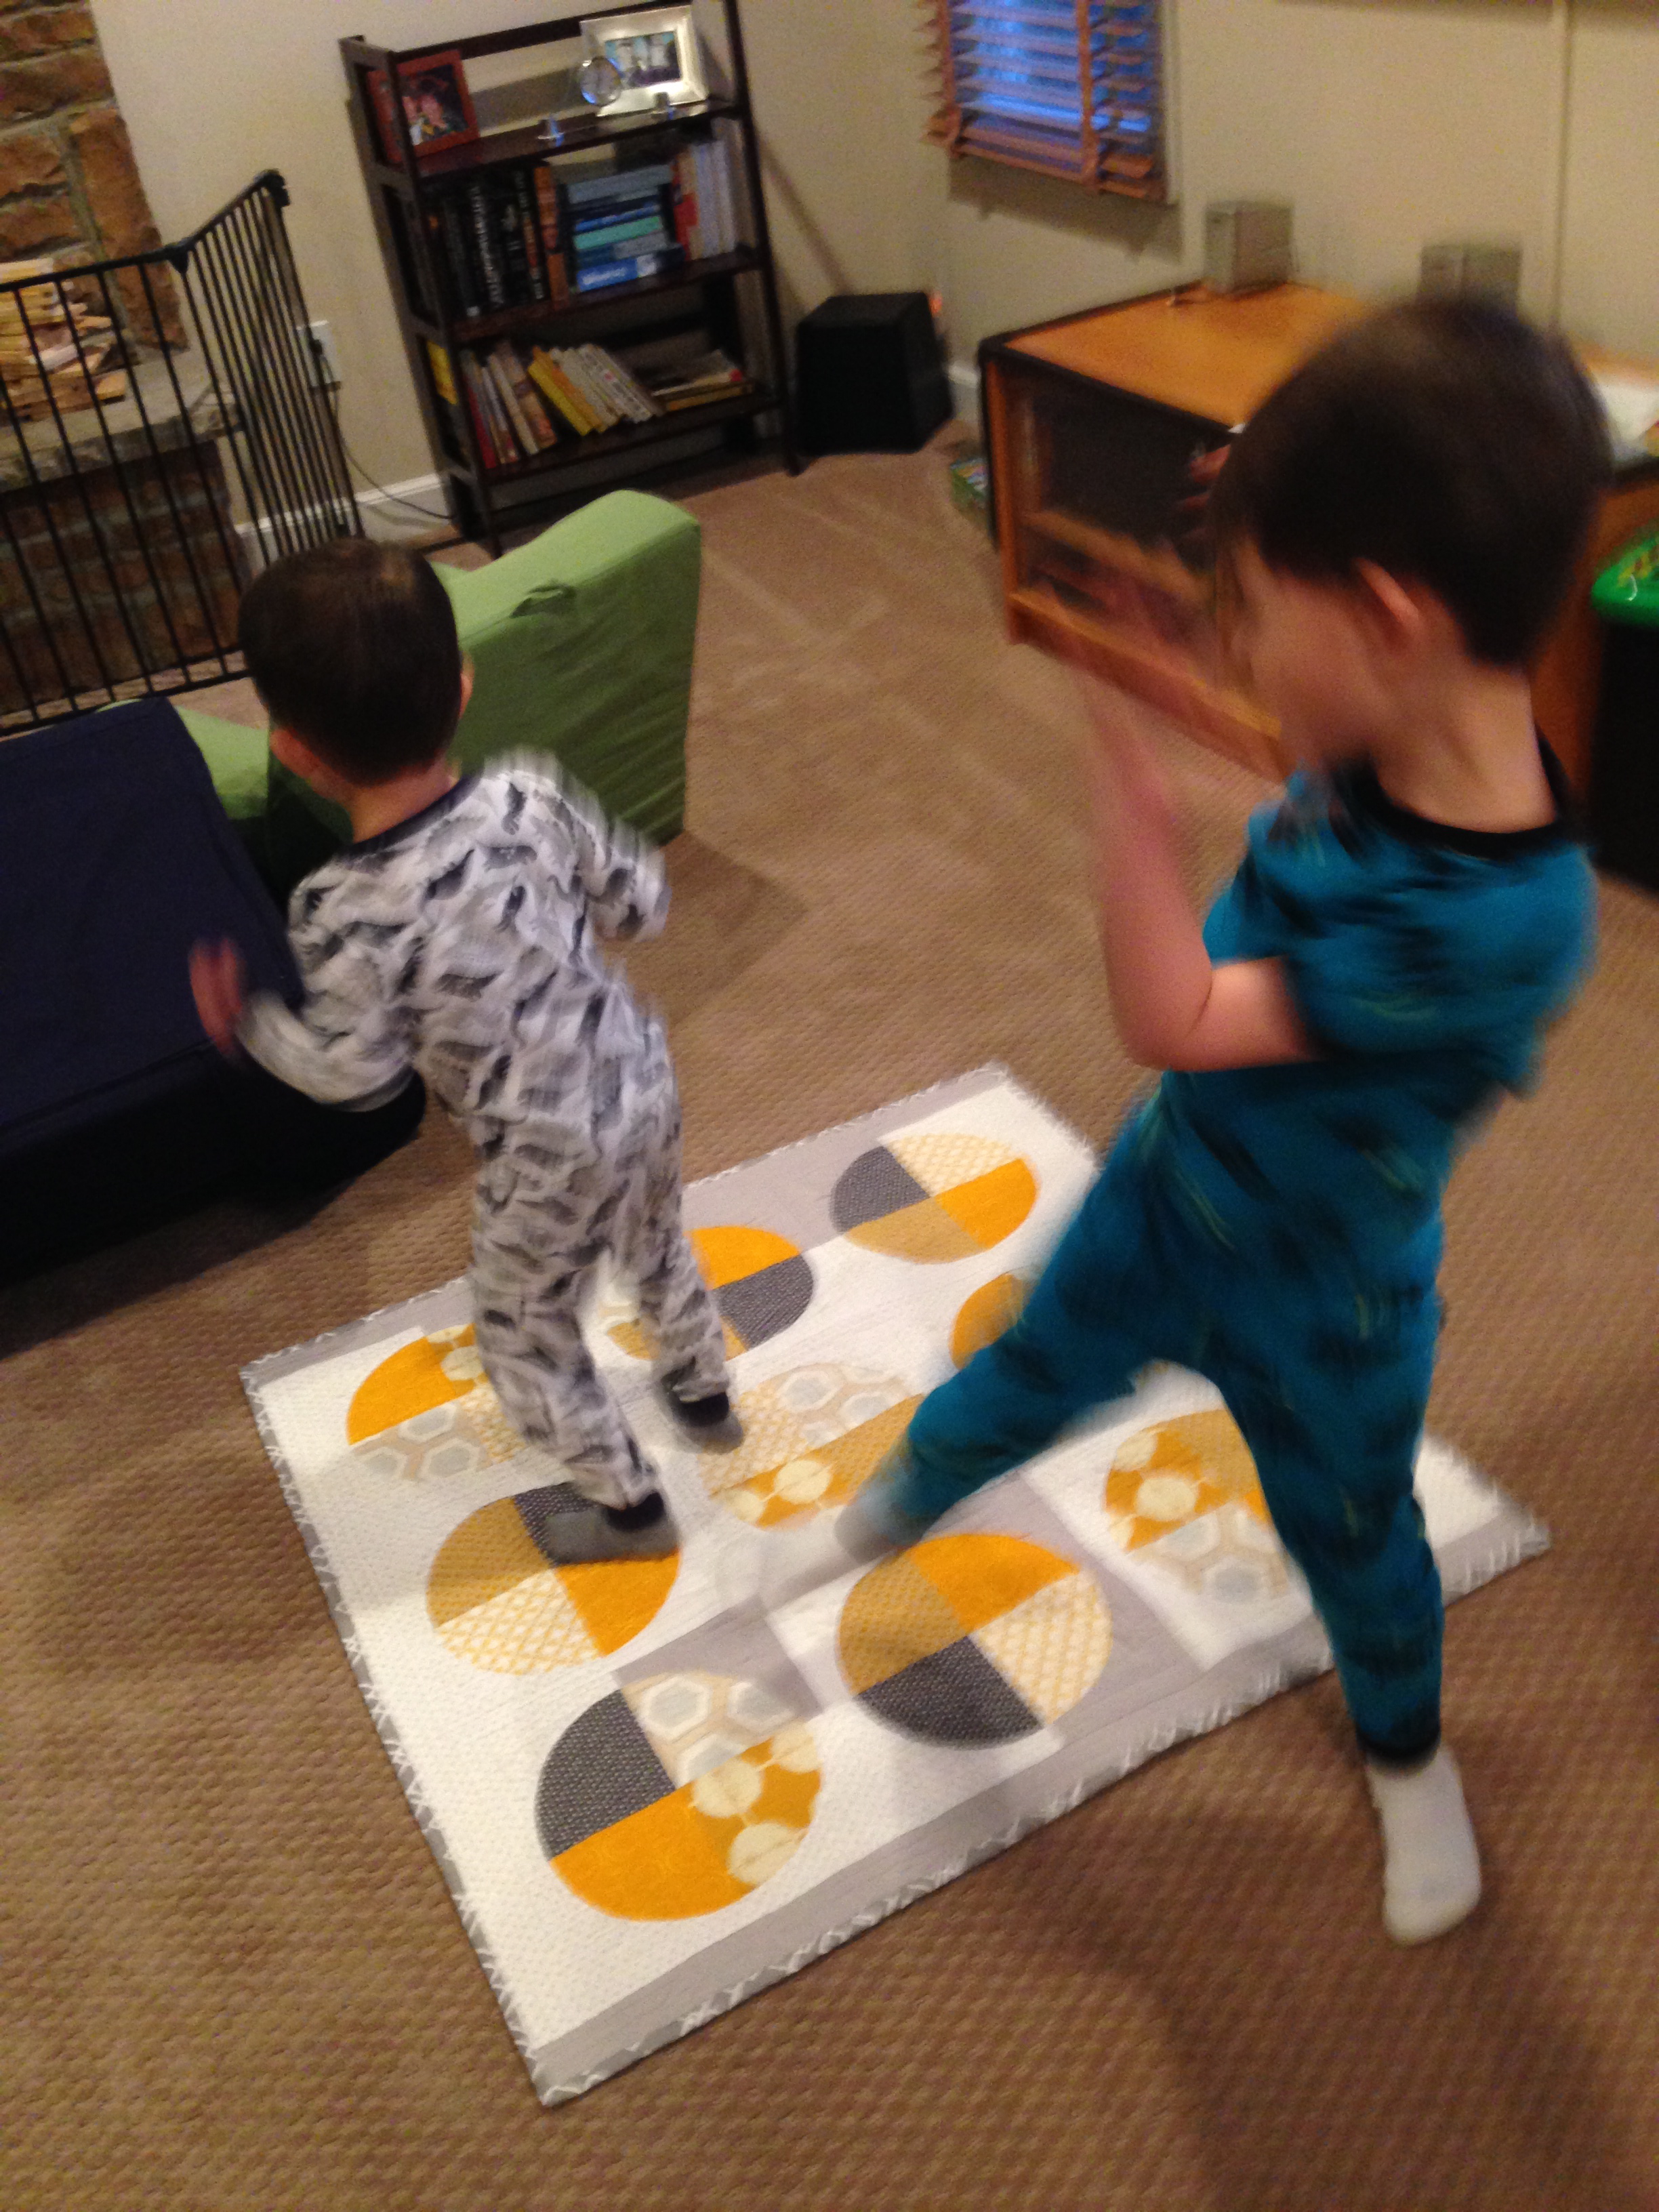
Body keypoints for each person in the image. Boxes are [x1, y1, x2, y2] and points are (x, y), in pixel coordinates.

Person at [827, 298, 1609, 1943]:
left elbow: (1174, 1014)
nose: (1234, 650)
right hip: (1170, 1191)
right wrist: (1262, 520)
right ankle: (914, 1486)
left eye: (1258, 614)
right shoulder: (1414, 719)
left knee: (1356, 1538)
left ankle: (1408, 1755)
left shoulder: (1498, 925)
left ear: (1389, 619)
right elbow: (1315, 736)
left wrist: (1130, 814)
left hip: (1330, 1301)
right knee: (1030, 1363)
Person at [190, 539, 734, 1563]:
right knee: (656, 1236)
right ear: (465, 685)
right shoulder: (531, 792)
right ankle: (701, 1384)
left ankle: (630, 1508)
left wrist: (254, 1030)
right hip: (640, 1079)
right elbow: (643, 902)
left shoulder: (340, 908)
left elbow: (358, 1077)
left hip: (544, 1152)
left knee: (522, 1334)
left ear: (295, 751)